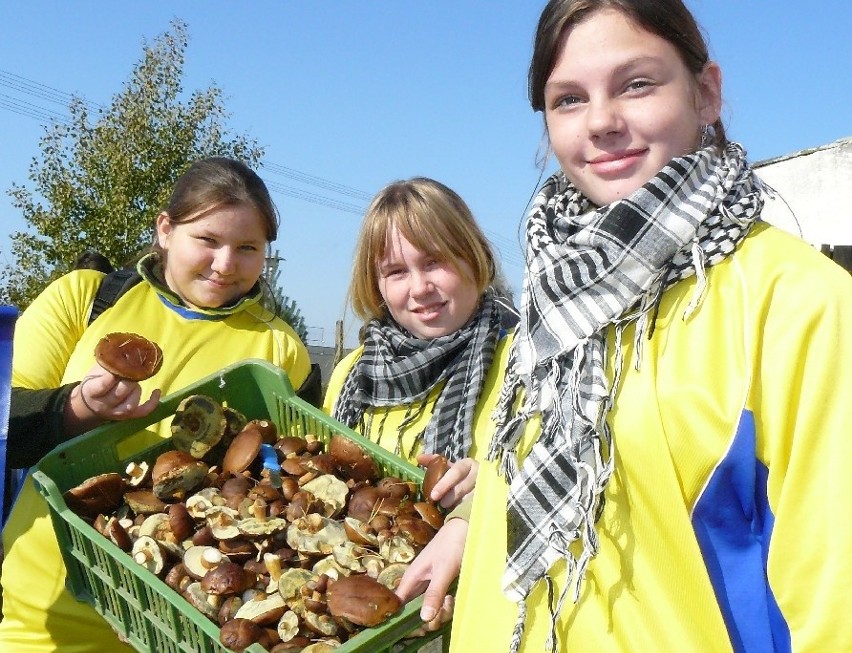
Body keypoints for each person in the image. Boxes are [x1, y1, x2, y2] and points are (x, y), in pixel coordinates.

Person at [440, 2, 852, 651]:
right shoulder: (550, 311)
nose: (602, 121)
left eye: (636, 84)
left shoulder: (799, 303)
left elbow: (835, 602)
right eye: (569, 98)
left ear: (706, 92)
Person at [0, 157, 313, 652]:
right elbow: (4, 422)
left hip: (186, 615)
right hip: (46, 607)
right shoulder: (87, 298)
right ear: (166, 230)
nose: (225, 264)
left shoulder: (279, 349)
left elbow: (281, 474)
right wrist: (76, 408)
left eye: (247, 248)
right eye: (207, 240)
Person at [323, 176, 513, 633]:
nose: (420, 288)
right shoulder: (353, 374)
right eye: (396, 272)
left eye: (436, 262)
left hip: (487, 616)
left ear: (476, 258)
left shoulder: (526, 363)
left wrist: (484, 493)